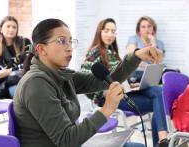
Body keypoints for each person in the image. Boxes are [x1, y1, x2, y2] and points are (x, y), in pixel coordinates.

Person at [13, 18, 161, 147]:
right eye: (62, 41)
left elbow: (105, 79)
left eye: (70, 41)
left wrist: (137, 56)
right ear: (41, 49)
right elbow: (66, 140)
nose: (69, 47)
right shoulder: (36, 83)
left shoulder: (61, 75)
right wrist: (107, 109)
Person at [81, 18, 168, 147]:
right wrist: (106, 91)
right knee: (157, 100)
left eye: (113, 31)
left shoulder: (112, 52)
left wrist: (129, 84)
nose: (110, 34)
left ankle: (161, 141)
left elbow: (118, 77)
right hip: (108, 99)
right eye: (107, 30)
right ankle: (162, 140)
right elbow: (86, 84)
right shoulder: (94, 53)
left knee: (157, 93)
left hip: (122, 93)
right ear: (100, 32)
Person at [0, 16, 31, 98]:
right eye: (8, 26)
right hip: (10, 83)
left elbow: (29, 64)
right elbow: (0, 74)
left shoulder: (25, 42)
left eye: (14, 27)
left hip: (26, 78)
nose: (11, 29)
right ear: (1, 29)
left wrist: (11, 70)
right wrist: (17, 69)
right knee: (14, 77)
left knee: (15, 74)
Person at [126, 16, 165, 83]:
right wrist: (149, 68)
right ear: (139, 30)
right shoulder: (133, 39)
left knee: (168, 74)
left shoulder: (160, 43)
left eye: (149, 26)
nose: (146, 29)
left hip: (153, 74)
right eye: (143, 27)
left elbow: (158, 61)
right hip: (137, 72)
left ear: (153, 28)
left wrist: (154, 45)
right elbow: (132, 58)